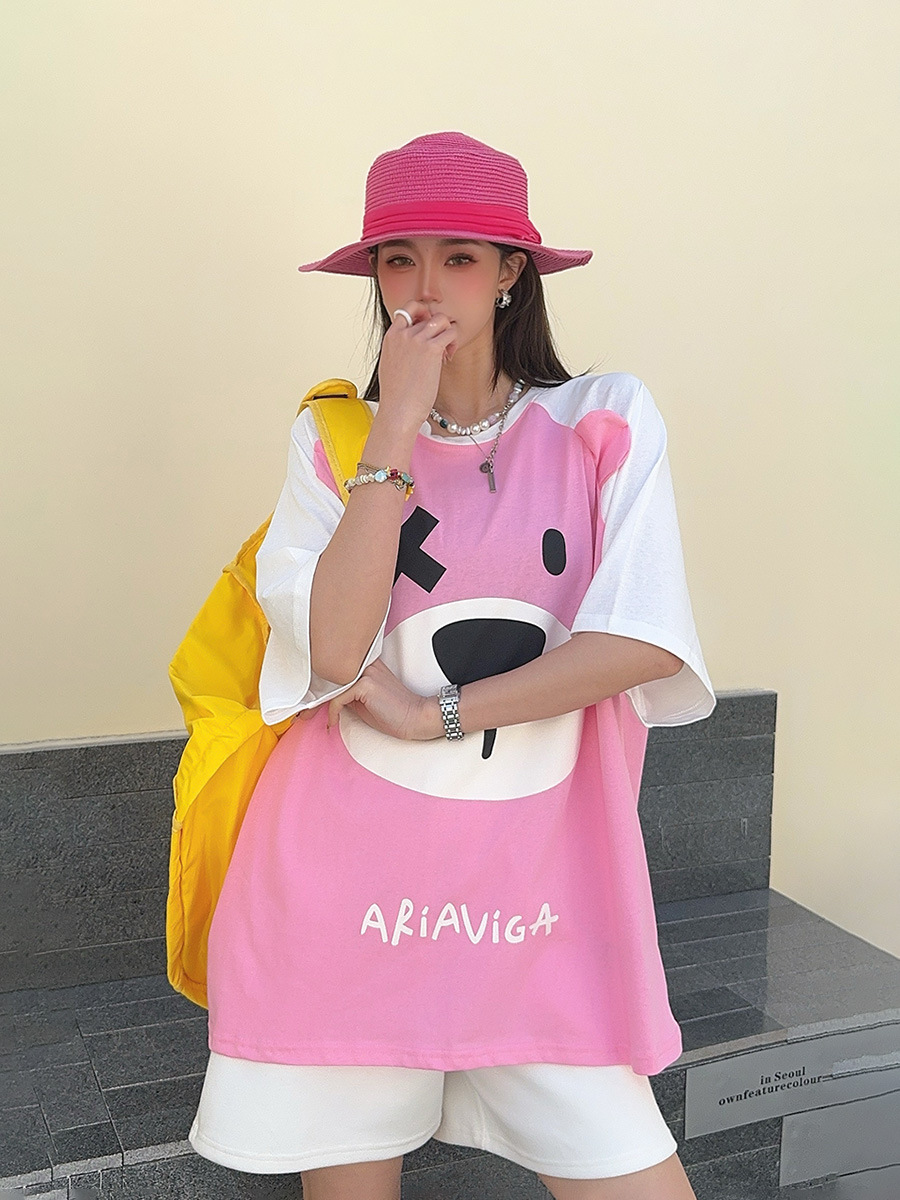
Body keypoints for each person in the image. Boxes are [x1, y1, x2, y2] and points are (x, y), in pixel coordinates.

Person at [187, 131, 716, 1200]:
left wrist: (441, 713)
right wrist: (393, 420)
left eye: (460, 257)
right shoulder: (333, 439)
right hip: (343, 894)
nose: (424, 287)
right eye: (399, 259)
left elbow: (642, 640)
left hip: (543, 894)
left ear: (512, 271)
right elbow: (335, 649)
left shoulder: (600, 420)